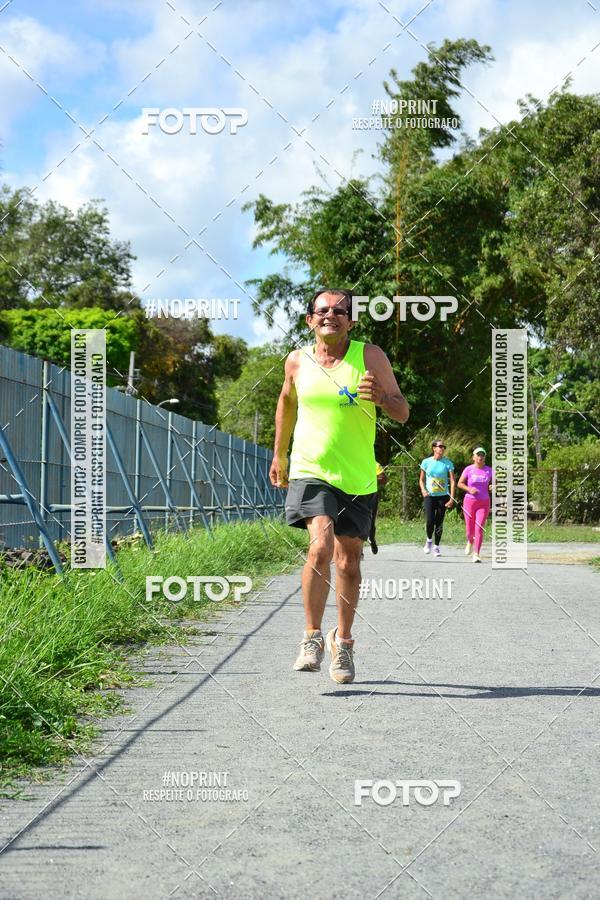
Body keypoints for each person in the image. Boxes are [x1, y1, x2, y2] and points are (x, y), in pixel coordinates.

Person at [269, 288, 409, 684]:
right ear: (310, 320)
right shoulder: (296, 361)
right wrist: (279, 454)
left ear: (351, 321)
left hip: (359, 476)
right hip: (311, 470)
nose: (331, 315)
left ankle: (343, 642)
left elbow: (402, 411)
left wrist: (382, 397)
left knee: (348, 561)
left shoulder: (370, 356)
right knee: (320, 545)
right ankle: (311, 637)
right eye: (322, 310)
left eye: (340, 311)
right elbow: (287, 402)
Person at [458, 447, 495, 563]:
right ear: (473, 457)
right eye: (478, 455)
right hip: (469, 502)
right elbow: (460, 483)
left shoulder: (490, 470)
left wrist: (493, 486)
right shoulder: (468, 469)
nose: (480, 457)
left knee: (479, 528)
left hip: (484, 503)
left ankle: (476, 554)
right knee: (470, 530)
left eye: (482, 455)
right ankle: (470, 540)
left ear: (484, 457)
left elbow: (497, 483)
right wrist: (469, 489)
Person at [419, 440, 455, 557]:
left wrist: (451, 498)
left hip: (443, 496)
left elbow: (453, 481)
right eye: (440, 446)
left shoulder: (447, 463)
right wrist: (423, 490)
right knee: (430, 520)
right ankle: (429, 540)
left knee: (439, 522)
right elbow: (421, 479)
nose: (442, 448)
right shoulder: (426, 462)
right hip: (429, 496)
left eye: (443, 447)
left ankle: (436, 547)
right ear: (434, 448)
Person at [368, 462, 387, 555]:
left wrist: (373, 478)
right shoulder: (353, 463)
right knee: (357, 521)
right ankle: (360, 550)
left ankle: (372, 539)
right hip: (356, 496)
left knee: (370, 522)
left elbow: (383, 479)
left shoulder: (375, 464)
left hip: (371, 496)